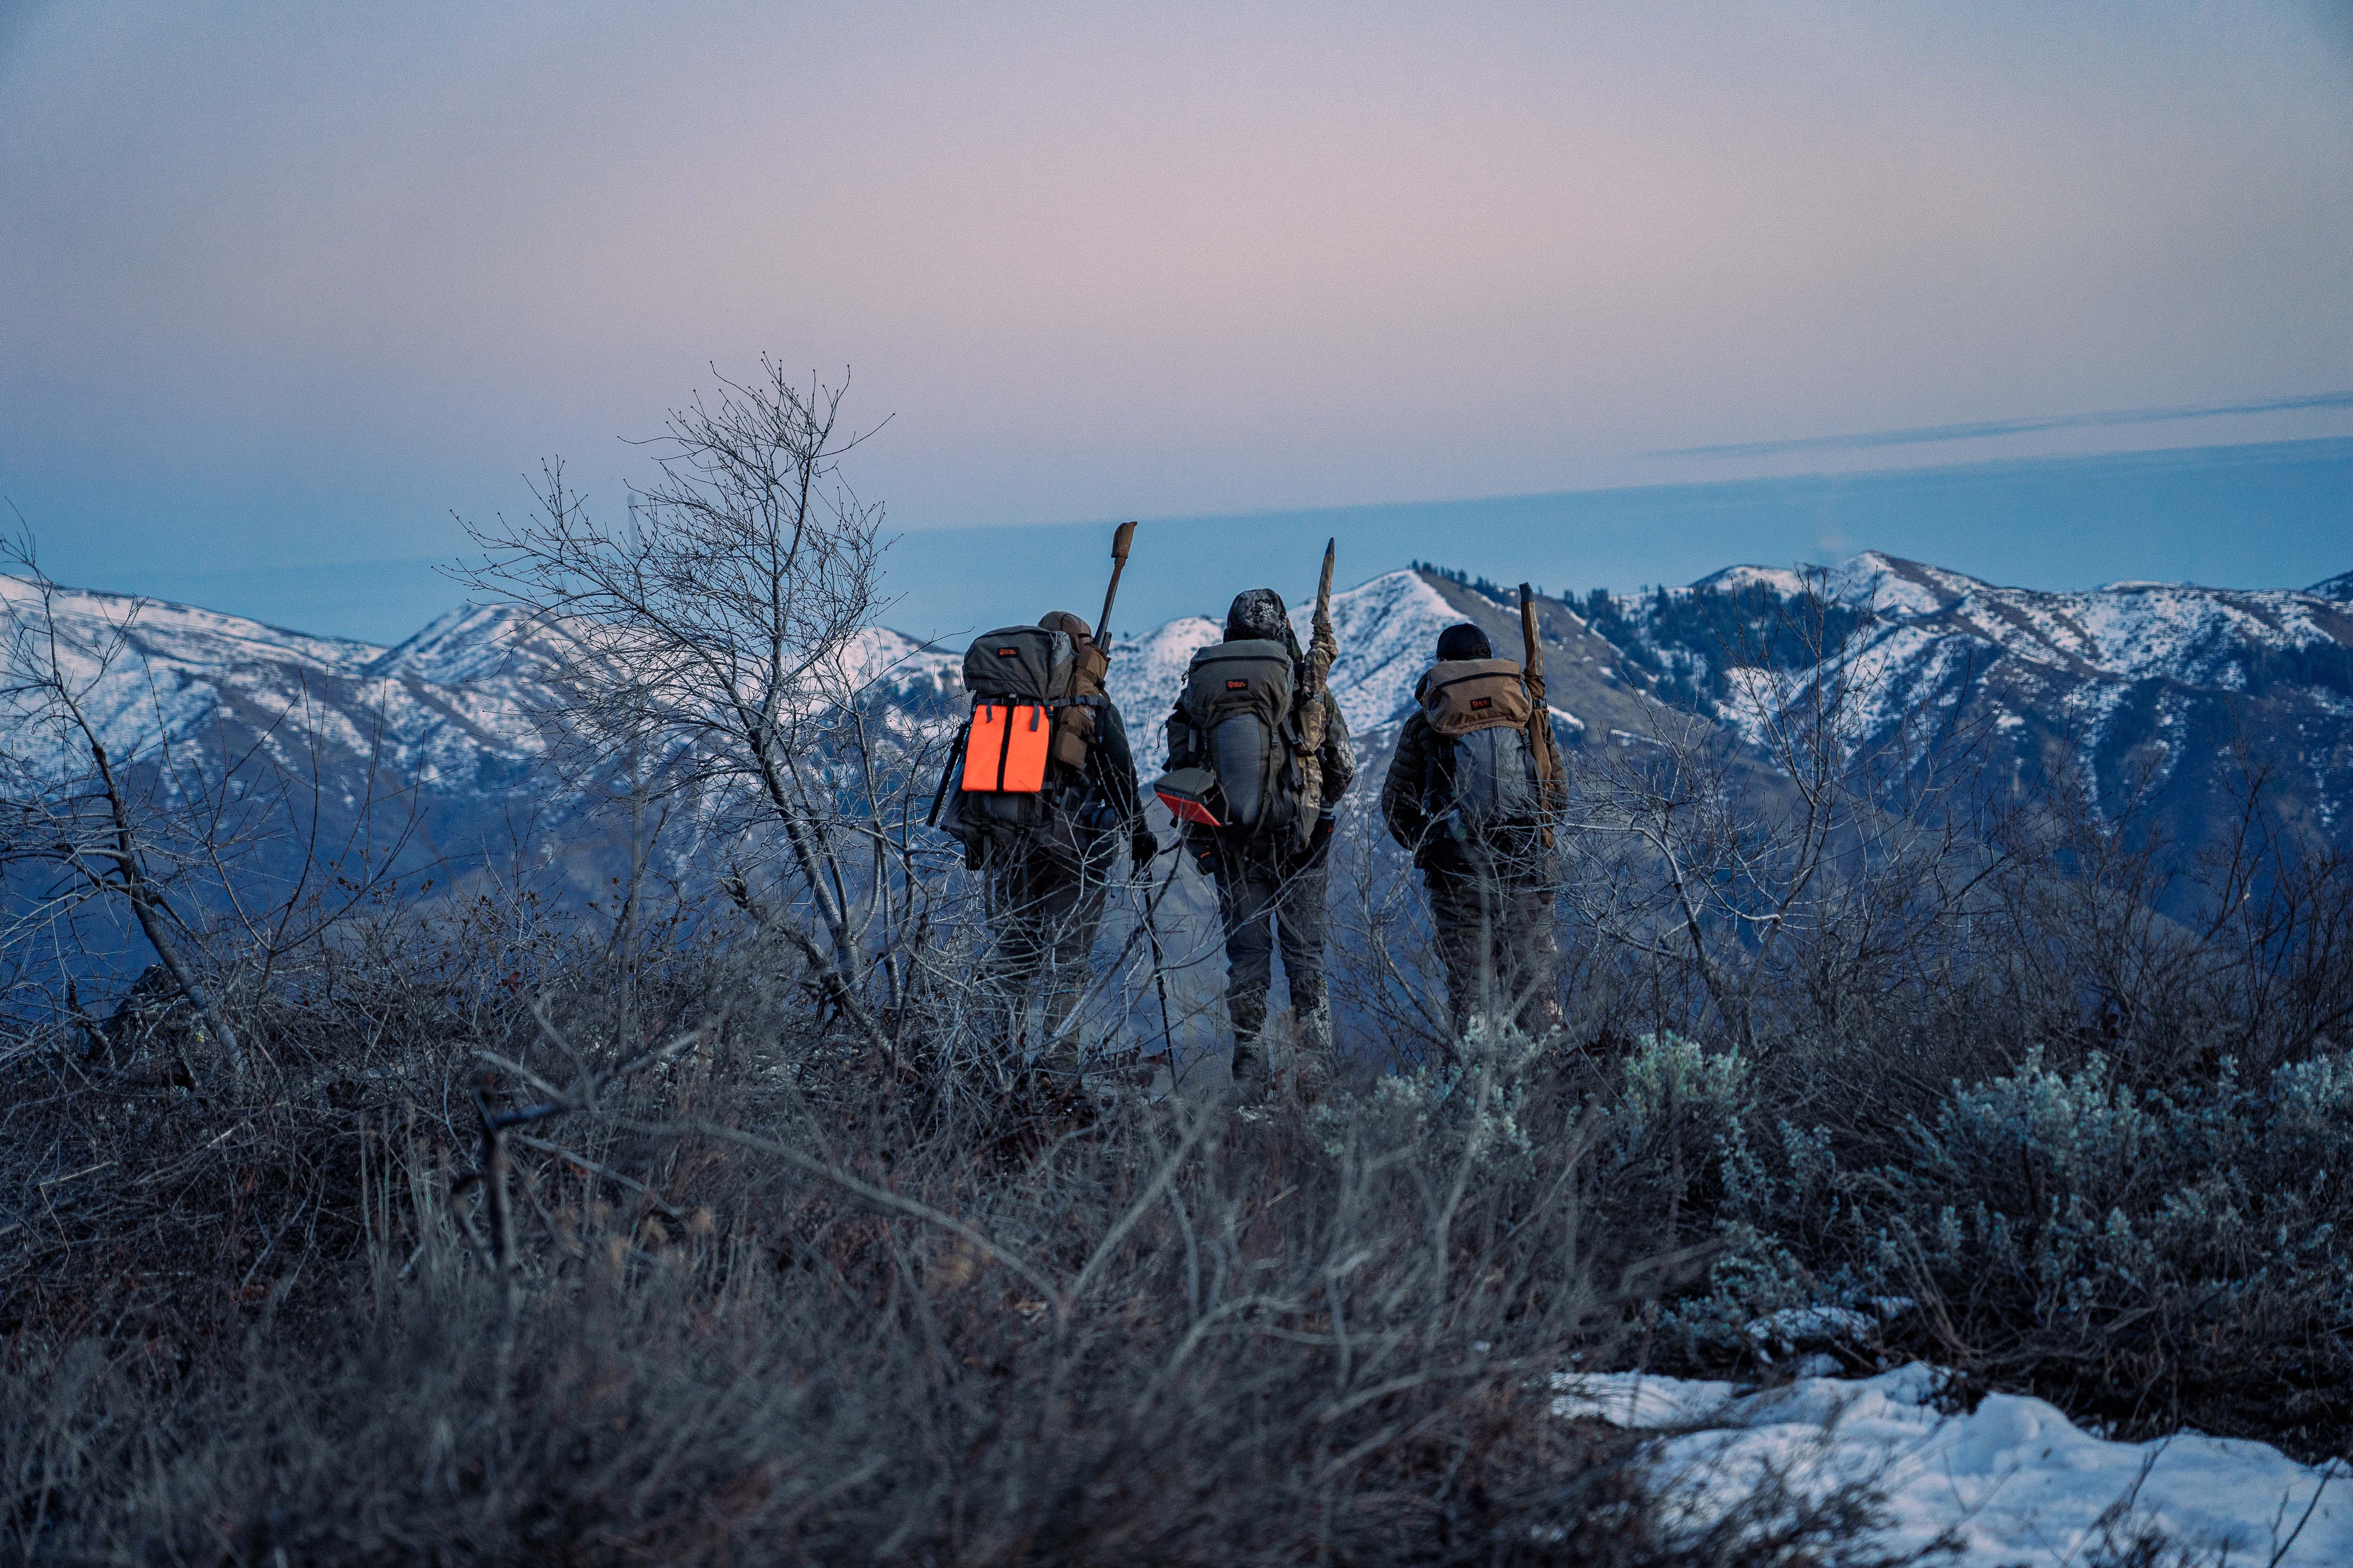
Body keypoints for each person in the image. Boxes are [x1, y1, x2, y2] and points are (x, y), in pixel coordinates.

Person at [1163, 588, 1355, 1096]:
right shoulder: (1302, 684)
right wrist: (1312, 811)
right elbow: (1344, 765)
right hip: (1300, 842)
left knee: (1247, 959)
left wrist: (1206, 839)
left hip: (1233, 843)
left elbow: (1180, 770)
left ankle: (1250, 1076)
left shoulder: (1200, 691)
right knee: (1305, 956)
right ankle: (1314, 1075)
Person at [944, 610, 1154, 1075]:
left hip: (1007, 846)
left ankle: (998, 1066)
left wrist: (977, 843)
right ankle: (1058, 1075)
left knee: (1013, 963)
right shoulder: (1091, 702)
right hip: (1074, 855)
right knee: (1068, 967)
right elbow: (1121, 774)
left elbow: (969, 779)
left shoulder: (997, 703)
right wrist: (1140, 835)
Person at [1380, 620, 1563, 1053]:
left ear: (1444, 666)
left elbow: (1394, 802)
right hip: (1524, 868)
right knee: (1534, 992)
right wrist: (1532, 835)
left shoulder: (1427, 722)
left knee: (1471, 1000)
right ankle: (1553, 1091)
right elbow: (1558, 791)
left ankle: (1472, 1102)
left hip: (1456, 875)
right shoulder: (1525, 713)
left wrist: (1431, 844)